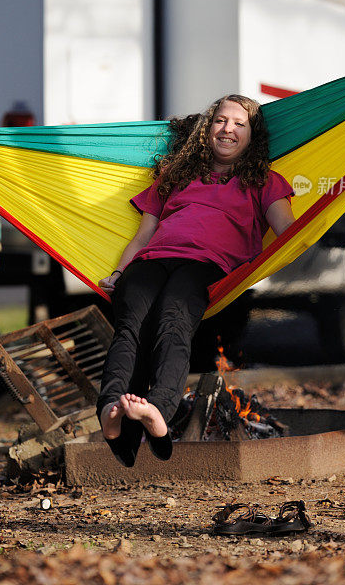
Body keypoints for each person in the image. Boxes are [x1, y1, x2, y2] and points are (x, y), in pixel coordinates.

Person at [96, 94, 295, 466]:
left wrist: (323, 221)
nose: (228, 129)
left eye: (239, 123)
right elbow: (142, 236)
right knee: (129, 325)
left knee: (173, 321)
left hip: (207, 264)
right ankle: (112, 410)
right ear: (207, 129)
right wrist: (120, 272)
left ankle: (158, 409)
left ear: (253, 136)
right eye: (221, 120)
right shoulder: (177, 176)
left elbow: (289, 232)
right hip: (153, 259)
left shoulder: (265, 181)